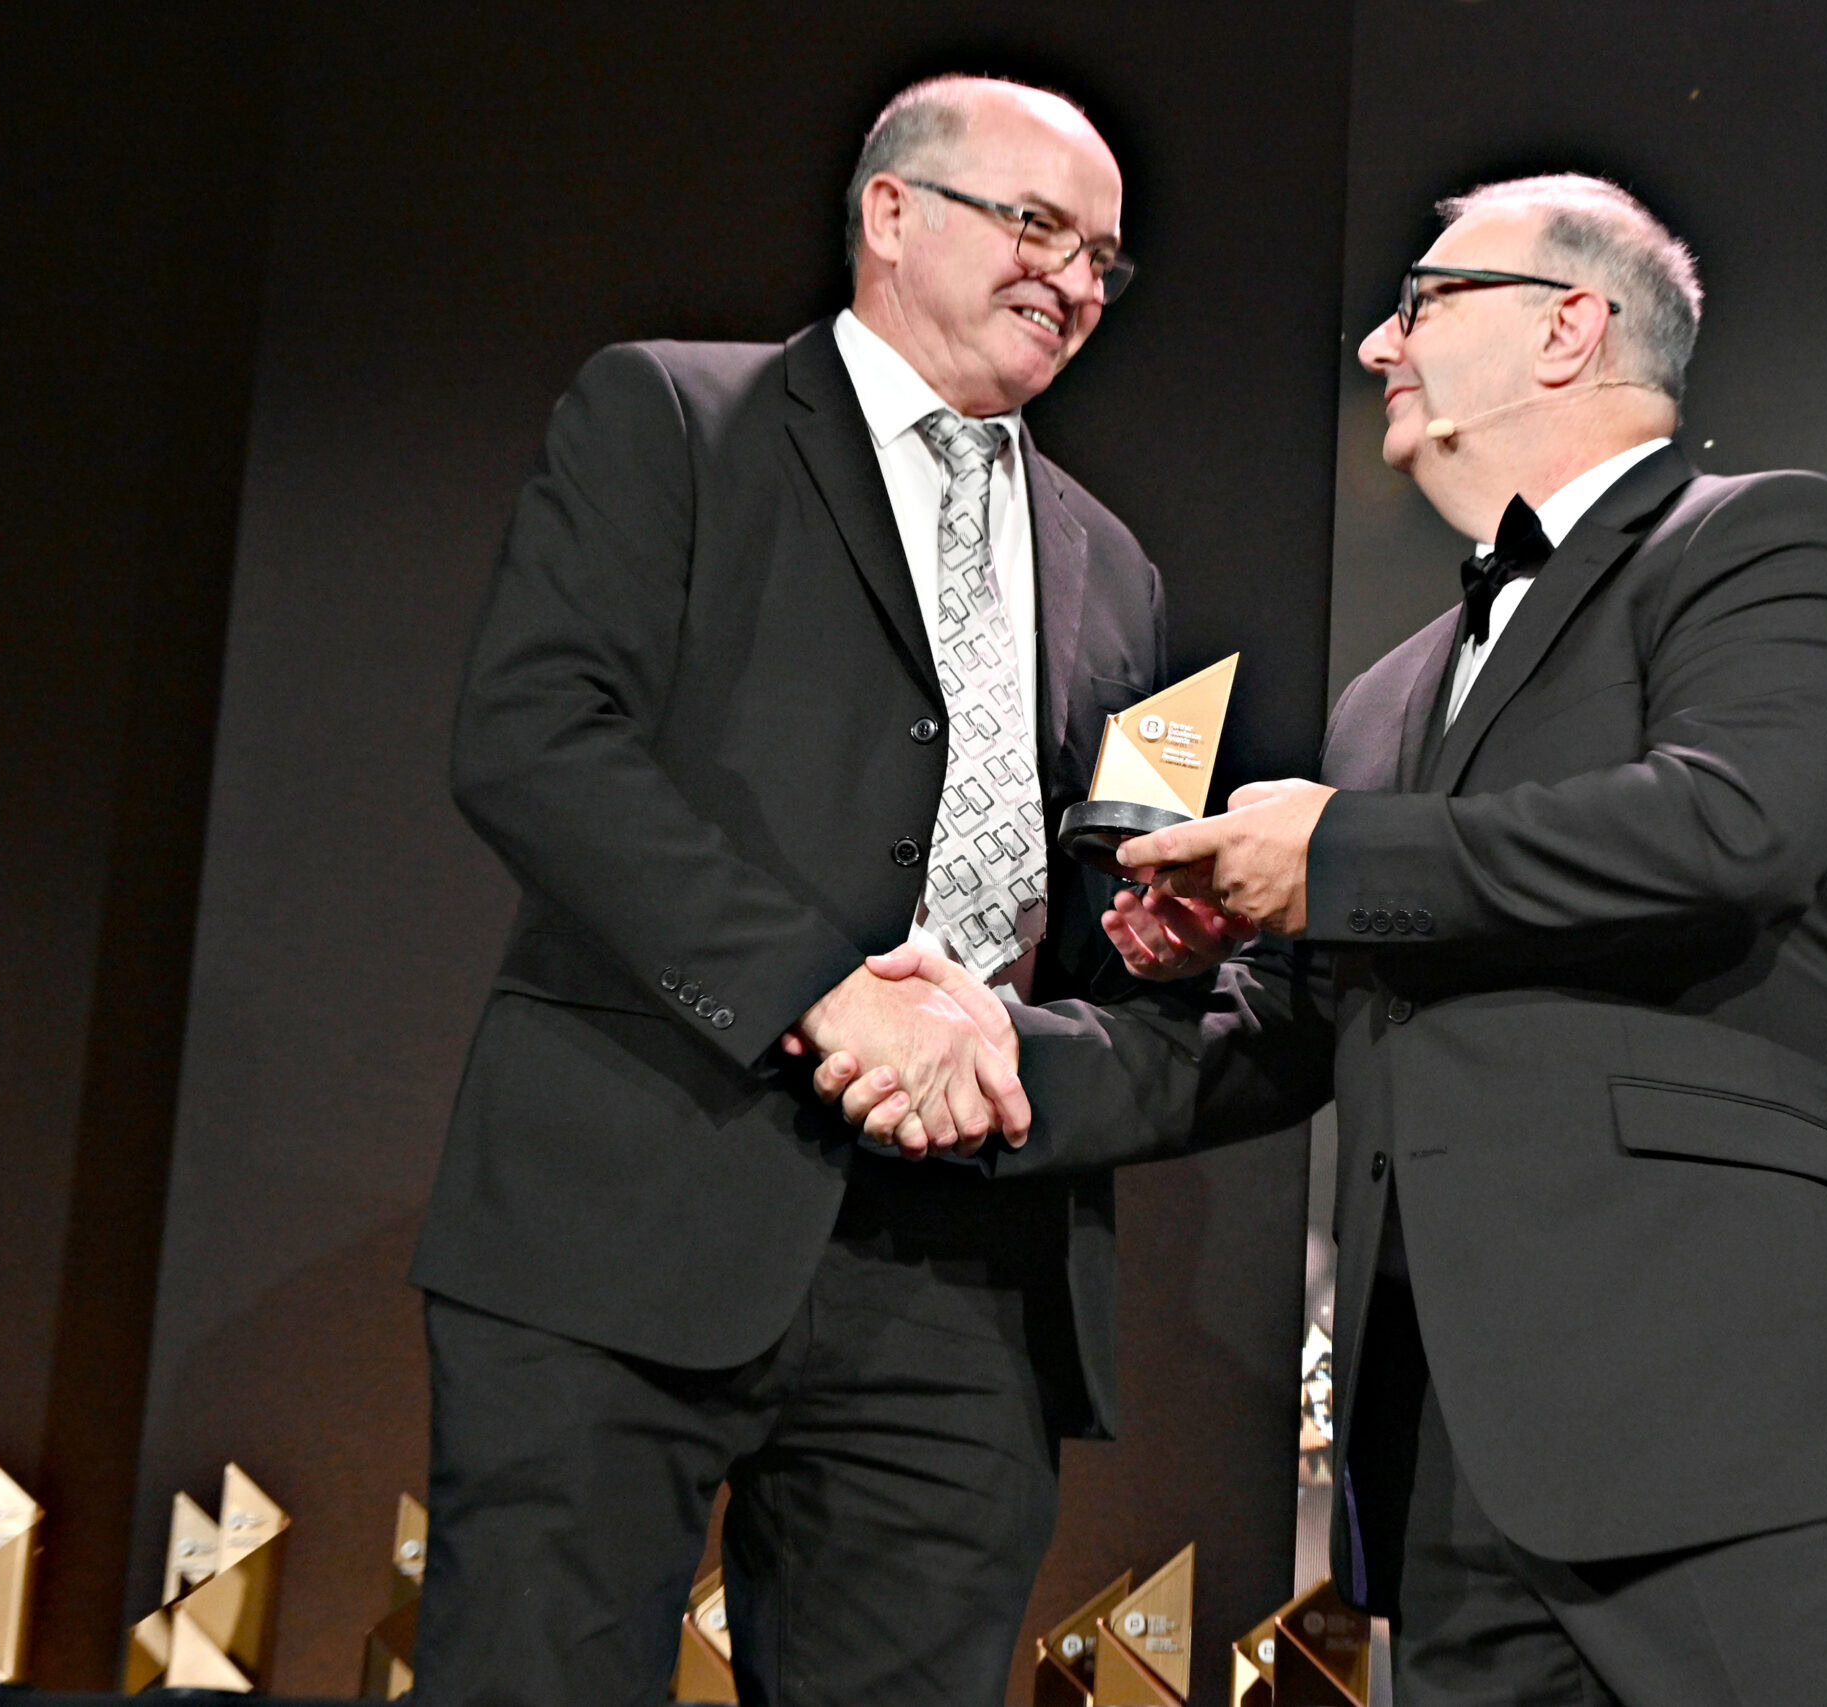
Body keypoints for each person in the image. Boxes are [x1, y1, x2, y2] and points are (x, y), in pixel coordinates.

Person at [832, 173, 1827, 1705]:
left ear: (1569, 328)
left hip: (1746, 1423)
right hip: (1453, 1464)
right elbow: (1285, 1030)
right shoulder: (1387, 697)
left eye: (1424, 303)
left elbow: (1734, 825)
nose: (1380, 346)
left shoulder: (1763, 542)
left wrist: (1329, 858)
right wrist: (997, 1052)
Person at [407, 75, 1176, 1707]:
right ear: (892, 212)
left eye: (1103, 257)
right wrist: (818, 994)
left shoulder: (1118, 565)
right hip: (635, 1203)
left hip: (966, 1271)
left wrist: (1151, 926)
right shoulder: (676, 414)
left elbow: (1097, 881)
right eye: (1037, 226)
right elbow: (536, 741)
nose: (1073, 279)